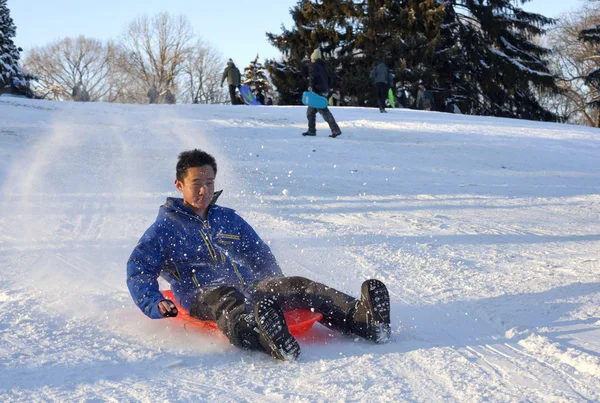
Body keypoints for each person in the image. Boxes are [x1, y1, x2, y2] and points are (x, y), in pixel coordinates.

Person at [126, 149, 391, 361]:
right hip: (202, 294)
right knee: (227, 298)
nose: (204, 190)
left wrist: (277, 288)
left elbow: (258, 252)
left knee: (297, 284)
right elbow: (139, 267)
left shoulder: (227, 218)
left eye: (209, 183)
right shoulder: (165, 228)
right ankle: (264, 337)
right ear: (179, 184)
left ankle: (362, 320)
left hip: (248, 286)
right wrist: (154, 301)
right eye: (196, 184)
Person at [302, 48, 342, 138]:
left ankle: (334, 130)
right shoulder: (324, 66)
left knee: (322, 111)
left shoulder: (313, 65)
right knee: (312, 112)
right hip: (324, 91)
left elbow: (313, 77)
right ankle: (312, 130)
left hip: (317, 91)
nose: (311, 60)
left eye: (311, 58)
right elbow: (329, 79)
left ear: (314, 58)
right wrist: (327, 89)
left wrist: (311, 87)